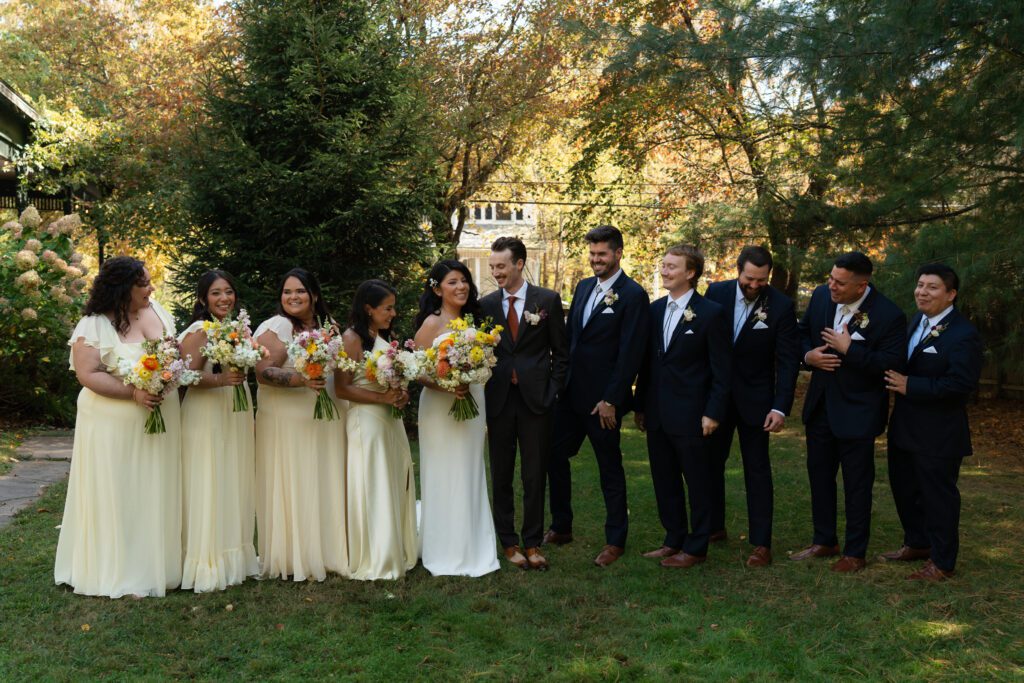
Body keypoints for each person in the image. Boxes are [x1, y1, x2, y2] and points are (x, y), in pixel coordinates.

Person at [55, 256, 183, 598]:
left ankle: (161, 564)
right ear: (122, 288)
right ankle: (119, 570)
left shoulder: (157, 310)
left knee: (156, 487)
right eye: (143, 283)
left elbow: (173, 353)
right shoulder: (94, 324)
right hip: (112, 423)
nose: (150, 287)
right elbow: (88, 374)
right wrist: (134, 392)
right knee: (120, 490)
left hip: (161, 419)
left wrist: (167, 379)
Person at [545, 225, 650, 567]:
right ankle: (562, 526)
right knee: (553, 455)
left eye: (601, 254)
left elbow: (630, 354)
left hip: (602, 402)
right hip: (571, 395)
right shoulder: (584, 286)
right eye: (591, 254)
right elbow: (574, 338)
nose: (595, 260)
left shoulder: (633, 295)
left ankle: (615, 540)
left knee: (610, 468)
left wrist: (612, 399)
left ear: (618, 253)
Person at [794, 252, 906, 573]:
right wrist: (807, 356)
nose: (831, 286)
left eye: (840, 283)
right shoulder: (820, 296)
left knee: (857, 484)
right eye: (831, 278)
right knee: (820, 476)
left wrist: (850, 350)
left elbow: (891, 364)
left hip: (858, 411)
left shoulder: (888, 315)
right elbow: (802, 332)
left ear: (861, 286)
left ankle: (855, 552)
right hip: (820, 407)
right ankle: (823, 540)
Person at [881, 263, 982, 581]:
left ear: (951, 294)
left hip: (939, 433)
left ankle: (942, 561)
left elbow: (960, 385)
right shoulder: (916, 322)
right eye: (920, 284)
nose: (922, 292)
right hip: (905, 427)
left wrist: (912, 386)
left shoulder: (964, 334)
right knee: (904, 488)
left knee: (938, 497)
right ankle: (917, 543)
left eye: (932, 287)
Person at [634, 245, 731, 569]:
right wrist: (641, 405)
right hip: (659, 413)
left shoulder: (711, 313)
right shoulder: (655, 309)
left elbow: (722, 370)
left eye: (671, 266)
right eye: (663, 265)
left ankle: (697, 545)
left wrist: (713, 411)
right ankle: (673, 538)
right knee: (665, 480)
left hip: (693, 414)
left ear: (690, 273)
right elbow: (649, 364)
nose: (664, 271)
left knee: (698, 483)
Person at [703, 246, 800, 567]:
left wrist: (780, 407)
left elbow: (787, 362)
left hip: (756, 401)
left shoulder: (781, 306)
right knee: (710, 464)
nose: (755, 285)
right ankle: (713, 527)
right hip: (715, 398)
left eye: (762, 280)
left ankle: (761, 544)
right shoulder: (715, 292)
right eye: (749, 278)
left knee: (757, 470)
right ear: (738, 270)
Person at [479, 237, 569, 571]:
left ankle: (532, 542)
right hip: (499, 401)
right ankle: (508, 542)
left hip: (536, 402)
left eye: (501, 266)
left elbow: (561, 353)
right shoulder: (485, 305)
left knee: (534, 475)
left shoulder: (546, 300)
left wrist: (552, 391)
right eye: (492, 267)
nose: (495, 272)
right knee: (501, 474)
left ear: (519, 264)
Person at [253, 268, 348, 581]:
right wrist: (301, 378)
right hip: (288, 419)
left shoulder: (328, 325)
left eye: (300, 291)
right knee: (298, 477)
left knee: (324, 475)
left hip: (325, 414)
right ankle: (297, 553)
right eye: (287, 292)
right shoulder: (277, 326)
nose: (293, 297)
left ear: (314, 295)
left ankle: (329, 547)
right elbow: (263, 371)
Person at [414, 260, 500, 577]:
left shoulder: (471, 321)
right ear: (437, 289)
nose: (461, 287)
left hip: (472, 400)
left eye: (464, 280)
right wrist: (448, 385)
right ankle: (444, 548)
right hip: (440, 405)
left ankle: (473, 544)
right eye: (453, 282)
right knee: (444, 472)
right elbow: (418, 371)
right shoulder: (431, 324)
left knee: (470, 469)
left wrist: (474, 372)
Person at [177, 269, 260, 592]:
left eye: (228, 291)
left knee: (232, 477)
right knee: (209, 478)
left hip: (234, 409)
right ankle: (206, 560)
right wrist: (222, 380)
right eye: (215, 293)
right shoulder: (200, 330)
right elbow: (183, 376)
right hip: (207, 412)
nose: (224, 298)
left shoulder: (236, 329)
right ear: (202, 299)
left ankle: (234, 557)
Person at [334, 279, 417, 581]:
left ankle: (395, 547)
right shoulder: (351, 339)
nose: (392, 313)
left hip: (389, 420)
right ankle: (377, 555)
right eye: (387, 308)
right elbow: (342, 389)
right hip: (366, 422)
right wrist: (382, 397)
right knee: (374, 483)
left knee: (394, 479)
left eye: (393, 308)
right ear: (368, 309)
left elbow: (395, 379)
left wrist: (401, 393)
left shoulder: (383, 336)